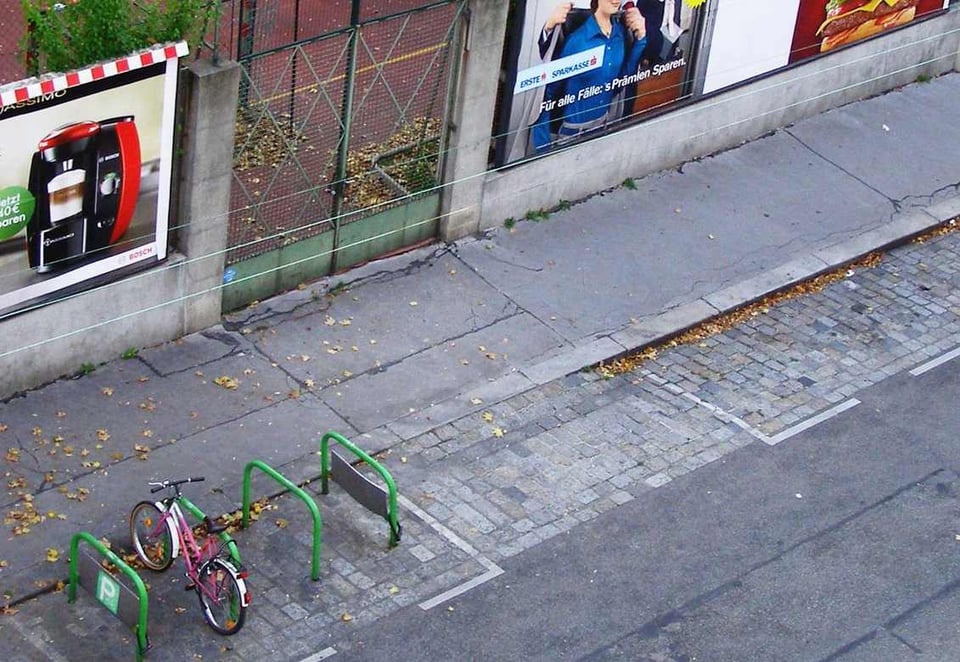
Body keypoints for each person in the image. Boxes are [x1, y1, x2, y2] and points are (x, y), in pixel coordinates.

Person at [531, 0, 646, 152]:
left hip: (603, 125)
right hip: (572, 132)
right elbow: (549, 93)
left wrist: (641, 40)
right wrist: (542, 148)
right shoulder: (577, 41)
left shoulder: (620, 34)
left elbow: (620, 83)